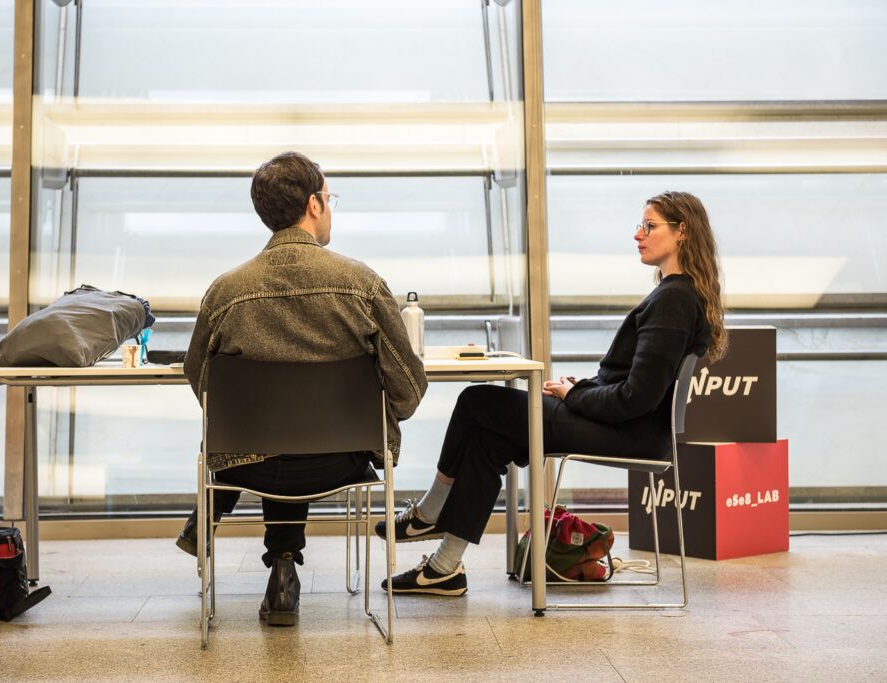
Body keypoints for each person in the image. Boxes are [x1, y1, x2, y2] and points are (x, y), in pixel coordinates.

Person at [378, 190, 726, 596]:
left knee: (476, 401)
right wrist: (578, 389)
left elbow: (637, 399)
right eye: (640, 225)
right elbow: (633, 387)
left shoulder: (674, 301)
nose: (638, 234)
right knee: (489, 439)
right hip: (625, 426)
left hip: (629, 433)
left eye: (649, 226)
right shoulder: (678, 295)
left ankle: (429, 512)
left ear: (682, 231)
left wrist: (573, 396)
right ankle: (444, 568)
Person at [177, 151, 427, 625]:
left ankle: (275, 562)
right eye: (330, 198)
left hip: (247, 464)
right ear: (314, 204)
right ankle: (284, 562)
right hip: (339, 460)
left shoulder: (225, 292)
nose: (330, 207)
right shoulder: (363, 285)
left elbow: (202, 382)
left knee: (272, 442)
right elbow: (409, 388)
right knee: (296, 443)